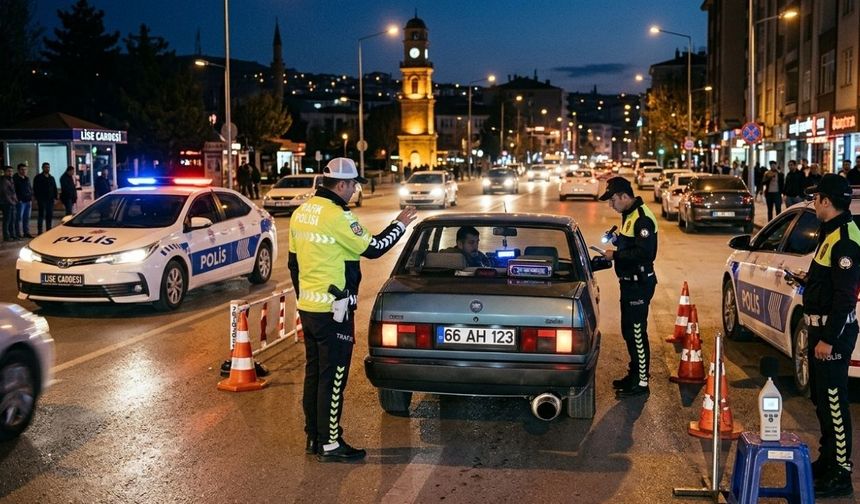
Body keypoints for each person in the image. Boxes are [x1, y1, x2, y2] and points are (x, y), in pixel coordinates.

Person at [288, 157, 417, 462]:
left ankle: (314, 437)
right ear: (342, 184)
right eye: (354, 184)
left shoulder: (302, 212)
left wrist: (303, 298)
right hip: (334, 310)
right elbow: (374, 248)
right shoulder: (337, 216)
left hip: (309, 306)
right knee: (333, 379)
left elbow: (293, 264)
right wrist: (400, 224)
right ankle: (331, 443)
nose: (355, 189)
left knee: (315, 374)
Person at [801, 174, 860, 498]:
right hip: (820, 327)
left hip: (832, 333)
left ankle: (841, 472)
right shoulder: (832, 233)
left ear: (826, 201)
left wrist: (828, 339)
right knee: (822, 400)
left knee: (834, 401)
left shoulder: (845, 240)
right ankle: (827, 461)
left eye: (815, 199)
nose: (813, 204)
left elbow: (845, 298)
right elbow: (828, 283)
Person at [599, 176, 658, 398]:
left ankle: (642, 381)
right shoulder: (630, 215)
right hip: (629, 283)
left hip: (639, 284)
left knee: (636, 332)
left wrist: (615, 255)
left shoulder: (642, 218)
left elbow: (646, 253)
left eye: (613, 199)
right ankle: (634, 375)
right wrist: (616, 240)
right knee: (628, 331)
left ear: (624, 196)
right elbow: (631, 243)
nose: (611, 204)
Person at [32, 162, 57, 234]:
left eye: (48, 167)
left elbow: (54, 188)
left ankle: (48, 230)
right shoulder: (38, 177)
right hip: (42, 199)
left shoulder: (51, 178)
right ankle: (40, 231)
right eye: (46, 167)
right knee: (41, 215)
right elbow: (35, 189)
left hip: (50, 199)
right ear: (42, 168)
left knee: (49, 215)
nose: (47, 168)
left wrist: (55, 198)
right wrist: (36, 198)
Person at [13, 164, 33, 239]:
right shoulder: (15, 179)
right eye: (22, 169)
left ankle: (26, 232)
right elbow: (14, 191)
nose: (24, 171)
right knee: (18, 218)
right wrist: (18, 199)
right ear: (18, 170)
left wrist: (31, 197)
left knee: (27, 218)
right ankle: (18, 233)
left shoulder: (27, 178)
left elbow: (30, 189)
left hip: (28, 201)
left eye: (25, 169)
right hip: (20, 202)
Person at [1, 166, 18, 241]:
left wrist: (15, 200)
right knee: (7, 221)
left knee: (12, 220)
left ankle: (13, 235)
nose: (10, 172)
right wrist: (12, 202)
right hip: (6, 203)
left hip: (12, 203)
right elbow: (5, 193)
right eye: (8, 171)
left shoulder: (10, 179)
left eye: (11, 171)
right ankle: (6, 237)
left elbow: (13, 192)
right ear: (5, 172)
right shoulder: (3, 180)